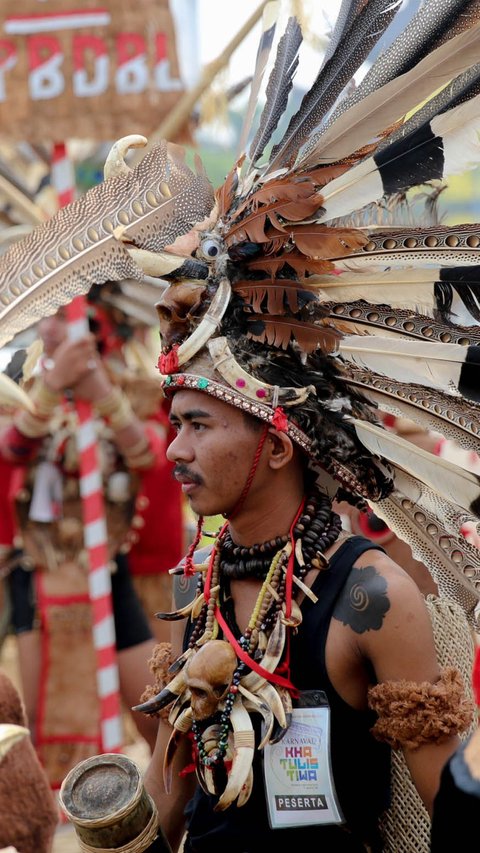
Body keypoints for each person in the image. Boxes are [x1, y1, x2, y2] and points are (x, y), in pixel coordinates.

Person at [135, 333, 473, 853]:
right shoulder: (197, 582)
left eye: (199, 425)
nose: (175, 449)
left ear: (275, 447)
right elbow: (169, 790)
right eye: (177, 424)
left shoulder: (372, 595)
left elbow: (450, 807)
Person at [0, 304, 175, 788]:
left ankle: (158, 799)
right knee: (27, 716)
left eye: (66, 314)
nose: (53, 326)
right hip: (39, 572)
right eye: (47, 315)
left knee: (154, 705)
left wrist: (101, 395)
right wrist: (53, 388)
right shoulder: (18, 379)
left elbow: (149, 457)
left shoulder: (135, 384)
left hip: (107, 568)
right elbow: (10, 447)